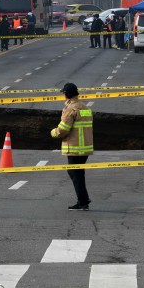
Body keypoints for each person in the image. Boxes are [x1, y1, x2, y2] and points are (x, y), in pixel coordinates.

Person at [50, 82, 93, 211]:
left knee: (75, 173)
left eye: (64, 93)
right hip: (85, 147)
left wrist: (53, 132)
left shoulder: (71, 108)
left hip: (74, 147)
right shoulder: (85, 107)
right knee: (77, 173)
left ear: (66, 94)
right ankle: (84, 200)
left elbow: (63, 129)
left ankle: (83, 202)